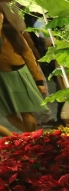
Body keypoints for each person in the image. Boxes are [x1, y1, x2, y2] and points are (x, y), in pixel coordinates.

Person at [0, 1, 46, 133]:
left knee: (26, 111)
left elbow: (28, 55)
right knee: (9, 114)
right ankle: (27, 138)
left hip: (18, 74)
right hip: (2, 77)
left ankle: (30, 138)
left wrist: (39, 80)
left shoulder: (11, 32)